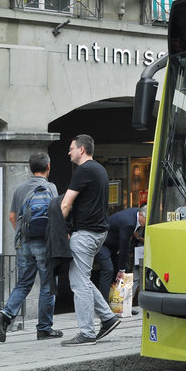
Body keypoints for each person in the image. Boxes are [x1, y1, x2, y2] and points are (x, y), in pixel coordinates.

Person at [60, 135, 120, 346]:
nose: (69, 152)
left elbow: (66, 204)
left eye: (71, 148)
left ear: (82, 149)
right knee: (83, 279)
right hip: (98, 233)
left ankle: (86, 333)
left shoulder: (83, 170)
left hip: (85, 233)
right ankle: (108, 318)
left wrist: (60, 228)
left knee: (79, 284)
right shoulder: (100, 169)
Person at [0, 153, 62, 342]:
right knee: (48, 285)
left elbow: (12, 217)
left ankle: (6, 314)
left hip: (24, 243)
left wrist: (23, 233)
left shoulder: (20, 188)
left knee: (23, 283)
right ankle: (44, 328)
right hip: (45, 243)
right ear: (48, 167)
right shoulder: (51, 187)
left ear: (30, 168)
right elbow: (58, 215)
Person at [105, 206, 146, 312]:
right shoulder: (129, 222)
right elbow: (124, 245)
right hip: (105, 243)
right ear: (141, 215)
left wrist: (123, 269)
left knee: (126, 270)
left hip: (116, 244)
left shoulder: (135, 214)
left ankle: (124, 306)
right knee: (108, 270)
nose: (147, 223)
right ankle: (105, 306)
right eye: (146, 219)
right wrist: (121, 269)